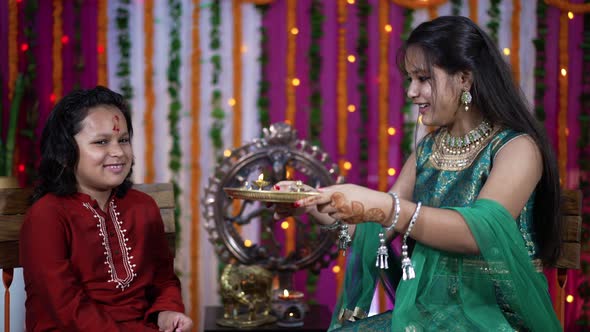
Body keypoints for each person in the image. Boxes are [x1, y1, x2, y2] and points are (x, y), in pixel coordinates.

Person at [273, 16, 562, 331]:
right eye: (410, 78)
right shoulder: (429, 149)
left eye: (423, 78)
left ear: (464, 79)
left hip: (494, 317)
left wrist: (385, 206)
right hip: (428, 314)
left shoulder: (517, 148)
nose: (411, 92)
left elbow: (476, 234)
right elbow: (377, 231)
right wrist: (316, 203)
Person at [20, 86, 193, 332]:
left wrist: (167, 311)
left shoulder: (143, 207)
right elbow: (65, 305)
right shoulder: (47, 216)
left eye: (123, 140)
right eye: (101, 142)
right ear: (65, 152)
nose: (118, 152)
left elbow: (163, 279)